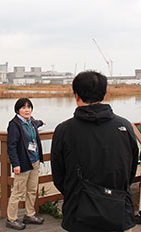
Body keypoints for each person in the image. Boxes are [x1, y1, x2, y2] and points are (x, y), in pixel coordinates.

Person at [51, 71, 138, 232]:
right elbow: (131, 170)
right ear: (104, 95)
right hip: (119, 212)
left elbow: (58, 175)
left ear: (76, 95)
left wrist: (78, 192)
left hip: (79, 213)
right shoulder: (124, 126)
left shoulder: (64, 130)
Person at [6, 98, 45, 230]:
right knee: (17, 191)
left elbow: (36, 123)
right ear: (18, 110)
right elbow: (11, 146)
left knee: (32, 190)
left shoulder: (31, 121)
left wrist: (41, 122)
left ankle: (29, 215)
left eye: (29, 107)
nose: (27, 110)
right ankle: (11, 219)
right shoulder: (14, 124)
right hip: (23, 163)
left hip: (34, 161)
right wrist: (15, 164)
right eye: (23, 107)